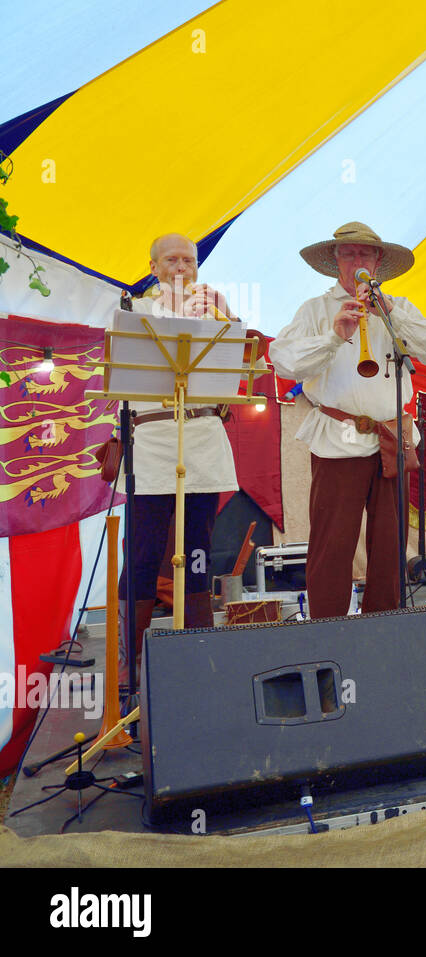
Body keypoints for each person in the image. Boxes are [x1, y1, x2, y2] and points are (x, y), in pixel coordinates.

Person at [268, 222, 426, 618]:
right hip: (340, 436)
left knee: (390, 543)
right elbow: (284, 361)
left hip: (393, 436)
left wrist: (391, 314)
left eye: (365, 254)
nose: (357, 261)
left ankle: (383, 626)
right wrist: (334, 336)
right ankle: (328, 628)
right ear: (335, 260)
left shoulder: (398, 308)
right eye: (348, 254)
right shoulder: (315, 310)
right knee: (334, 542)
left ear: (378, 261)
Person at [119, 233, 239, 678]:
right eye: (172, 260)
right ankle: (130, 662)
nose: (183, 267)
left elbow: (237, 368)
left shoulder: (215, 309)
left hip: (202, 436)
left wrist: (224, 314)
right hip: (152, 441)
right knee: (144, 549)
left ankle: (197, 651)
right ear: (153, 267)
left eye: (189, 260)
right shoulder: (134, 312)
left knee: (198, 549)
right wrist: (175, 313)